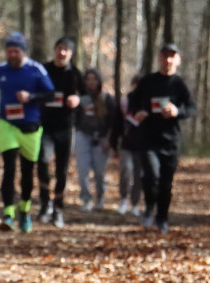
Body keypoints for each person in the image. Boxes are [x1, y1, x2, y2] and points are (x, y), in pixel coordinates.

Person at [0, 32, 54, 233]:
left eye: (16, 51)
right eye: (9, 51)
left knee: (27, 172)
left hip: (31, 129)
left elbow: (50, 94)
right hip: (7, 125)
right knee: (8, 168)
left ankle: (24, 210)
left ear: (23, 51)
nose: (12, 55)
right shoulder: (1, 69)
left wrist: (31, 97)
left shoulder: (36, 69)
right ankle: (8, 214)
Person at [128, 42, 196, 233]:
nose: (168, 60)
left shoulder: (179, 84)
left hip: (171, 141)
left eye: (172, 56)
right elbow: (131, 100)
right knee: (151, 175)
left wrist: (177, 111)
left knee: (166, 183)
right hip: (149, 139)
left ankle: (162, 218)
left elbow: (192, 109)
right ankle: (149, 208)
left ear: (178, 60)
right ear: (158, 58)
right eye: (164, 55)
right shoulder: (148, 81)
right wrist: (138, 111)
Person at [38, 38, 85, 227]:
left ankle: (58, 209)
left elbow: (89, 98)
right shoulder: (43, 70)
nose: (62, 53)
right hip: (44, 126)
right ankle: (44, 204)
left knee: (61, 170)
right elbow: (32, 90)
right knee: (42, 161)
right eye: (59, 49)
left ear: (71, 54)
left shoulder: (75, 74)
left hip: (66, 127)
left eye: (66, 50)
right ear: (54, 49)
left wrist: (78, 99)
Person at [75, 68, 116, 211]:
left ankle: (100, 196)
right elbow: (74, 118)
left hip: (101, 139)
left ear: (99, 81)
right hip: (83, 136)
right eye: (88, 79)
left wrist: (109, 140)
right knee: (83, 170)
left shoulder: (107, 98)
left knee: (99, 172)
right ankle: (86, 199)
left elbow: (113, 121)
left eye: (94, 79)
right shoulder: (80, 98)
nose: (91, 82)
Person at [110, 75, 144, 216]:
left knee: (139, 175)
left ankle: (135, 204)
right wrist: (114, 144)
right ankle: (123, 199)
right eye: (136, 85)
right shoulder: (125, 103)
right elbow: (117, 124)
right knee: (126, 170)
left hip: (143, 146)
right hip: (126, 145)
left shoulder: (146, 103)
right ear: (132, 85)